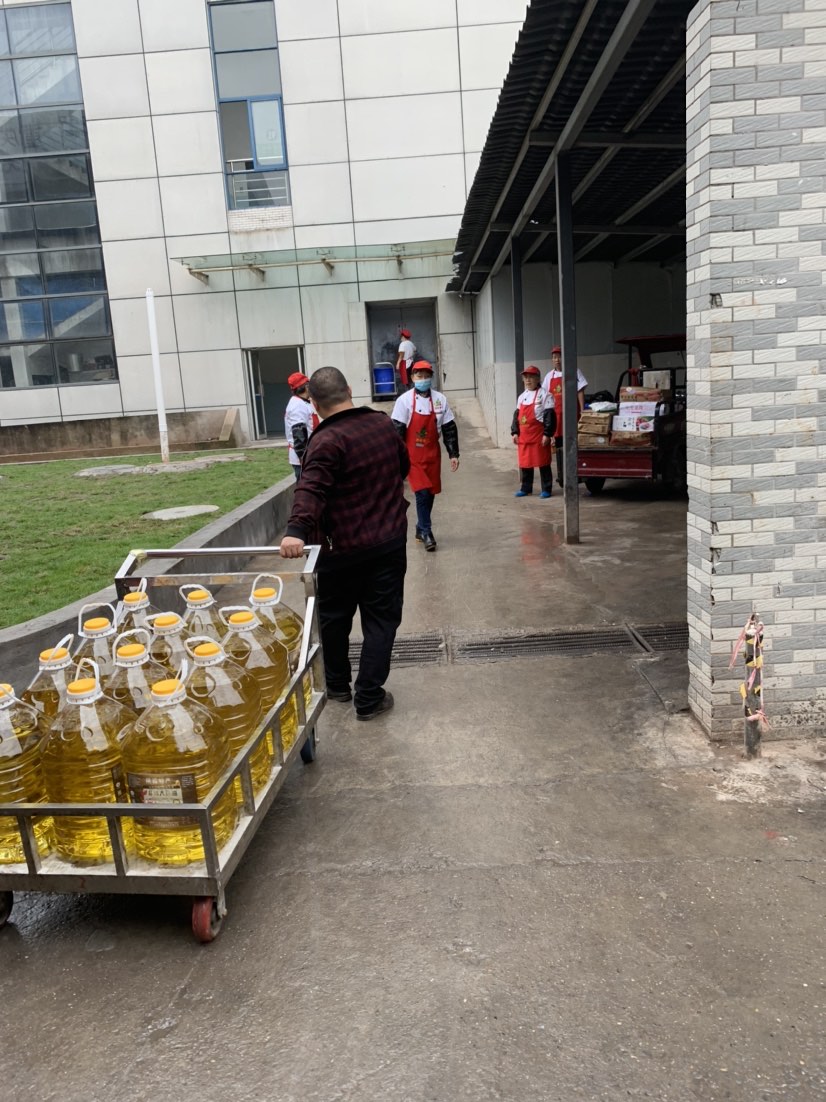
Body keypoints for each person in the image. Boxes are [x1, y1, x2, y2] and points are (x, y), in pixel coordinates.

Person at [279, 366, 408, 721]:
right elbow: (403, 467)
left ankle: (337, 685)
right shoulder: (382, 424)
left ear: (314, 404)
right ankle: (369, 697)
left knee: (334, 620)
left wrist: (296, 530)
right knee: (381, 621)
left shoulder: (325, 440)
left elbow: (310, 488)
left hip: (339, 550)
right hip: (387, 543)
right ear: (349, 390)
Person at [391, 360, 459, 552]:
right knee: (421, 493)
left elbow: (449, 428)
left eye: (426, 376)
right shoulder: (404, 401)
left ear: (431, 378)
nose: (422, 379)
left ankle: (420, 528)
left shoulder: (440, 400)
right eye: (419, 376)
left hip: (432, 454)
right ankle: (427, 532)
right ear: (412, 378)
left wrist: (453, 453)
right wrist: (397, 459)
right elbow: (397, 431)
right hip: (412, 455)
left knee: (430, 493)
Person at [541, 345, 588, 487]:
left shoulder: (574, 371)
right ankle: (563, 476)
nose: (557, 359)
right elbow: (545, 398)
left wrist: (582, 411)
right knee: (560, 448)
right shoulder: (549, 376)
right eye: (554, 357)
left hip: (572, 415)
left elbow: (580, 391)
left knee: (574, 445)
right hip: (557, 419)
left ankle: (577, 474)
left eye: (559, 356)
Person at [510, 365, 557, 498]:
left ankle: (546, 489)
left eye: (531, 377)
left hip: (538, 435)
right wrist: (515, 432)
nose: (528, 380)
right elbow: (516, 416)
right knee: (526, 463)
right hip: (524, 436)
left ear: (538, 379)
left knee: (543, 463)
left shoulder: (545, 395)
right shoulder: (521, 397)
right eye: (526, 377)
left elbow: (549, 416)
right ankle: (526, 488)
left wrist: (547, 434)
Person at [284, 371, 318, 480]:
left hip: (309, 455)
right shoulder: (297, 405)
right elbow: (299, 435)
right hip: (303, 459)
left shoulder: (302, 402)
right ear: (306, 387)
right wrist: (305, 460)